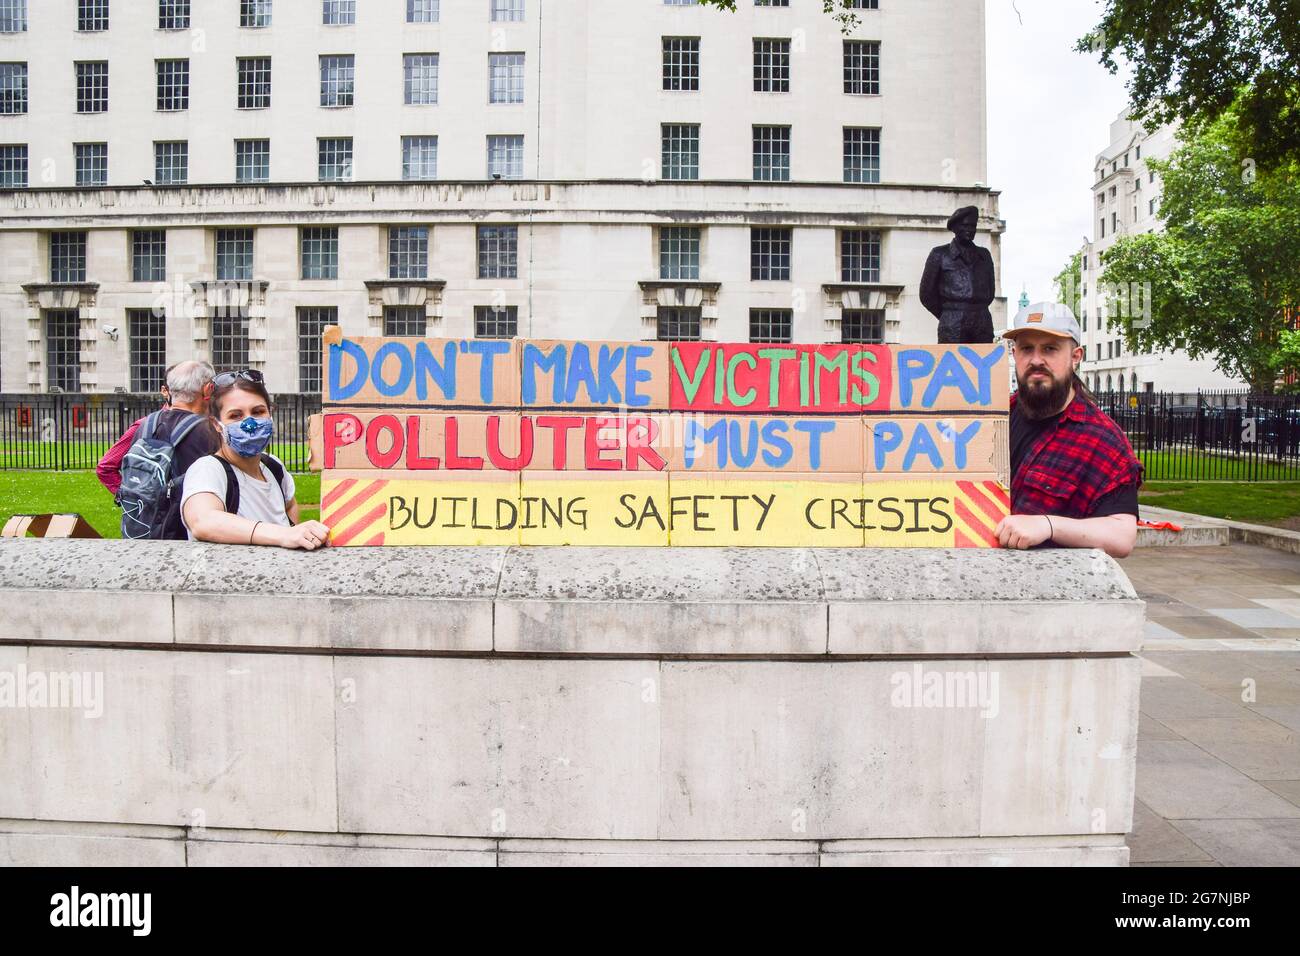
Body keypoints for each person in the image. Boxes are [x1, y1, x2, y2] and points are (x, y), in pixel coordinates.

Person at [995, 302, 1142, 559]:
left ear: (1076, 357)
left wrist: (1047, 525)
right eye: (1027, 349)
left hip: (1053, 589)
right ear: (1015, 353)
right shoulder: (991, 420)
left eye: (1050, 349)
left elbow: (1122, 536)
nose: (1036, 360)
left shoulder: (1102, 439)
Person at [181, 369, 331, 550]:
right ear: (216, 425)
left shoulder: (274, 466)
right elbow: (202, 521)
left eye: (258, 411)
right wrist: (284, 534)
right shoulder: (207, 469)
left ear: (270, 413)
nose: (249, 423)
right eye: (236, 415)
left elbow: (290, 505)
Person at [96, 362, 179, 495]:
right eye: (178, 388)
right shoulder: (145, 425)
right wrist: (131, 498)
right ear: (165, 391)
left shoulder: (205, 426)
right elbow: (106, 467)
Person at [919, 205, 997, 344]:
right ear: (955, 228)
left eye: (973, 226)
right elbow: (926, 295)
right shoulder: (939, 254)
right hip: (952, 320)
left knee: (983, 363)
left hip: (982, 320)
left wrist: (975, 309)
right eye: (966, 226)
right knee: (951, 364)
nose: (970, 230)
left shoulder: (984, 255)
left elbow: (990, 292)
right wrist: (947, 314)